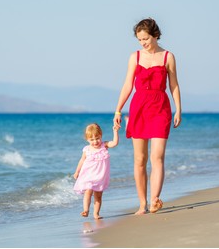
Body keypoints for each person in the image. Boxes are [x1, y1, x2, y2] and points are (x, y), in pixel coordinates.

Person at [113, 18, 182, 215]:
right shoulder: (134, 57)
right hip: (139, 108)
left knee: (157, 157)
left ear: (155, 35)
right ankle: (142, 204)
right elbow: (127, 85)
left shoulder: (168, 56)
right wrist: (118, 110)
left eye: (145, 38)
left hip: (160, 107)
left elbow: (174, 85)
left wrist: (178, 108)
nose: (143, 43)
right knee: (140, 159)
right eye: (140, 39)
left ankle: (154, 200)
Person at [73, 123, 119, 219]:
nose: (95, 142)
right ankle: (86, 210)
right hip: (88, 175)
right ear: (87, 140)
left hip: (100, 176)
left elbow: (114, 143)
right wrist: (77, 171)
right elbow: (82, 160)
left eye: (97, 138)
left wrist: (115, 131)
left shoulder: (104, 145)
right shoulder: (87, 149)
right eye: (92, 140)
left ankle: (96, 214)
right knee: (88, 191)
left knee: (98, 196)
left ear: (101, 136)